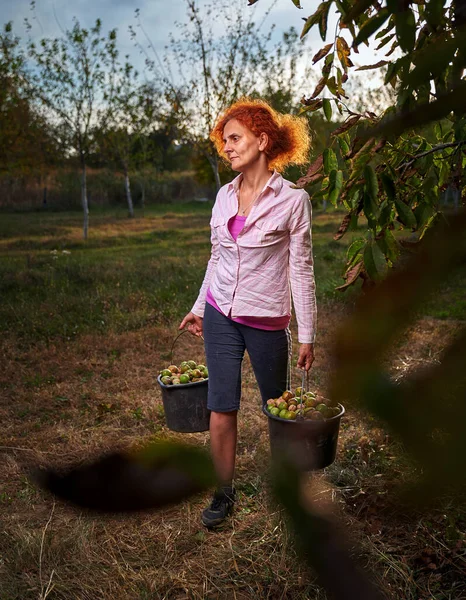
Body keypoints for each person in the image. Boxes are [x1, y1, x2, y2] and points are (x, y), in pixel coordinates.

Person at [179, 98, 317, 528]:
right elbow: (216, 258)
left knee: (277, 408)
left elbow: (302, 269)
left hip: (267, 319)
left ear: (262, 140)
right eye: (224, 141)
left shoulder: (293, 200)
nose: (228, 148)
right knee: (220, 406)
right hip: (221, 313)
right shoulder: (223, 197)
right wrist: (200, 307)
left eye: (234, 139)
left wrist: (308, 332)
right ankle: (223, 492)